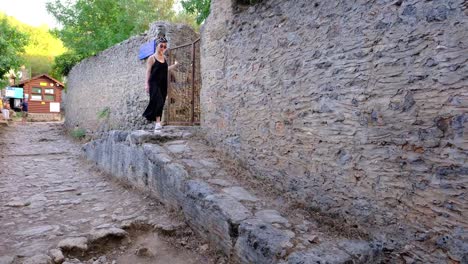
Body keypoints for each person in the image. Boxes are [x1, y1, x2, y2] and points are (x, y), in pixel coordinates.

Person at [142, 36, 178, 133]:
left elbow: (165, 70)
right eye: (161, 46)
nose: (163, 48)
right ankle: (158, 123)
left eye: (165, 47)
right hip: (154, 83)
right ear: (157, 46)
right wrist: (146, 84)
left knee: (161, 102)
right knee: (158, 100)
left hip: (163, 83)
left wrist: (174, 66)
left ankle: (154, 120)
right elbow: (148, 72)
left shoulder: (165, 58)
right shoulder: (152, 58)